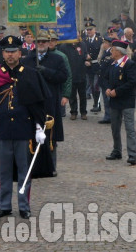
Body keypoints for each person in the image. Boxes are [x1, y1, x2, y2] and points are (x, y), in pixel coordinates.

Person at [0, 35, 49, 219]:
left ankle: (23, 206)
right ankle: (4, 206)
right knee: (3, 171)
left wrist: (38, 127)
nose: (10, 55)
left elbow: (38, 104)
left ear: (20, 52)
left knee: (24, 172)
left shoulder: (30, 74)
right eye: (6, 52)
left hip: (23, 130)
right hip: (1, 130)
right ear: (2, 53)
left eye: (13, 52)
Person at [23, 31, 68, 172]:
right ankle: (32, 166)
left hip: (50, 102)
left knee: (50, 136)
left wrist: (46, 71)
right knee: (31, 135)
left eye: (44, 42)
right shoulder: (27, 60)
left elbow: (63, 76)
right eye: (38, 42)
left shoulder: (57, 59)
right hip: (32, 102)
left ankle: (51, 166)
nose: (41, 44)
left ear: (49, 43)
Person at [104, 40, 136, 165]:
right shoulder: (112, 64)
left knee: (129, 128)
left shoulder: (129, 64)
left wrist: (117, 91)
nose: (111, 52)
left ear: (118, 51)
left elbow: (131, 82)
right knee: (115, 128)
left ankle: (132, 154)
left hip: (127, 100)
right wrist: (108, 88)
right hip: (114, 101)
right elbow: (106, 78)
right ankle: (117, 150)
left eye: (112, 49)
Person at [59, 37, 87, 120]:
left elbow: (85, 55)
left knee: (83, 95)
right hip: (70, 75)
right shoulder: (64, 46)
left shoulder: (82, 44)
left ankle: (83, 112)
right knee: (72, 95)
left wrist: (87, 59)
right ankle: (73, 112)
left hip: (81, 73)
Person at [48, 30, 71, 118]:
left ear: (56, 42)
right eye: (48, 40)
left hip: (58, 90)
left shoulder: (62, 56)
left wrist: (66, 94)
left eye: (53, 40)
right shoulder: (40, 55)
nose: (50, 42)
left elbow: (68, 76)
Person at [83, 20, 102, 112]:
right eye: (87, 30)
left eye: (90, 29)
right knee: (91, 86)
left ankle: (97, 104)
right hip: (88, 67)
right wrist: (86, 60)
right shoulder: (84, 41)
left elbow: (101, 54)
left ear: (94, 30)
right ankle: (95, 103)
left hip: (97, 67)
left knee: (96, 86)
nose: (89, 31)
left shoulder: (100, 40)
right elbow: (83, 53)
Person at [96, 36, 114, 124]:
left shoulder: (111, 53)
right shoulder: (105, 52)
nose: (103, 45)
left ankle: (110, 116)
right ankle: (107, 116)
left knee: (108, 100)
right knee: (106, 100)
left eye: (104, 43)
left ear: (108, 44)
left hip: (108, 80)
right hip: (103, 79)